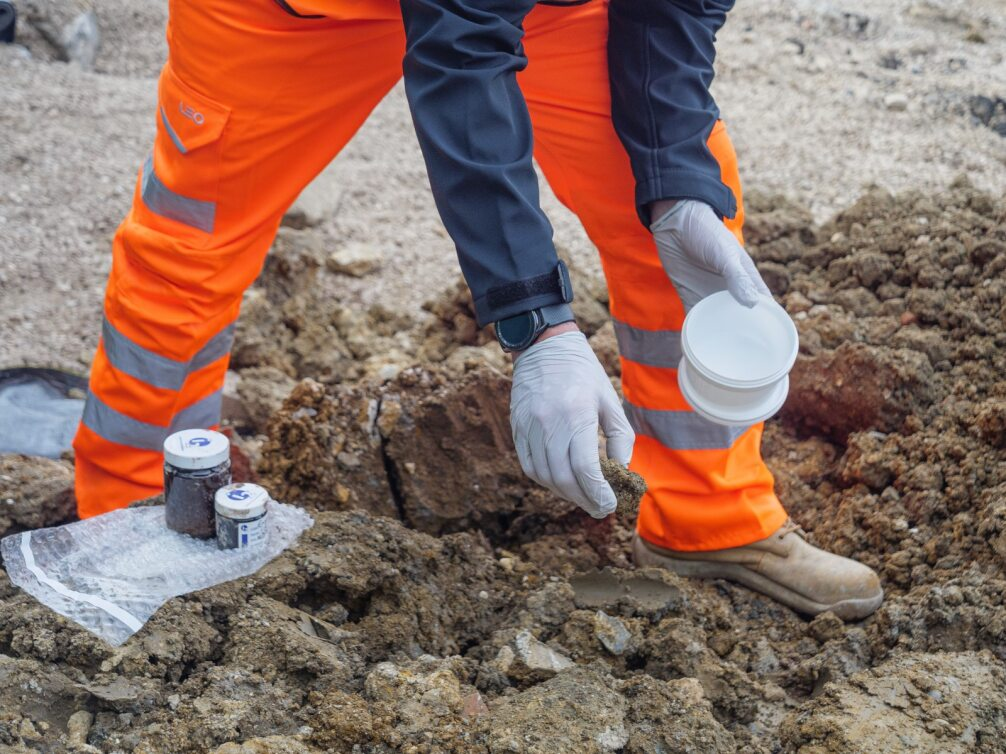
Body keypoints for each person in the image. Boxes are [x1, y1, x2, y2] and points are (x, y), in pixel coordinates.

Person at [72, 0, 883, 620]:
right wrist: (538, 325)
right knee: (190, 249)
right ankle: (133, 525)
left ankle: (712, 516)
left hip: (542, 8)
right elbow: (459, 49)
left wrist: (674, 183)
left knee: (690, 233)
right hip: (292, 16)